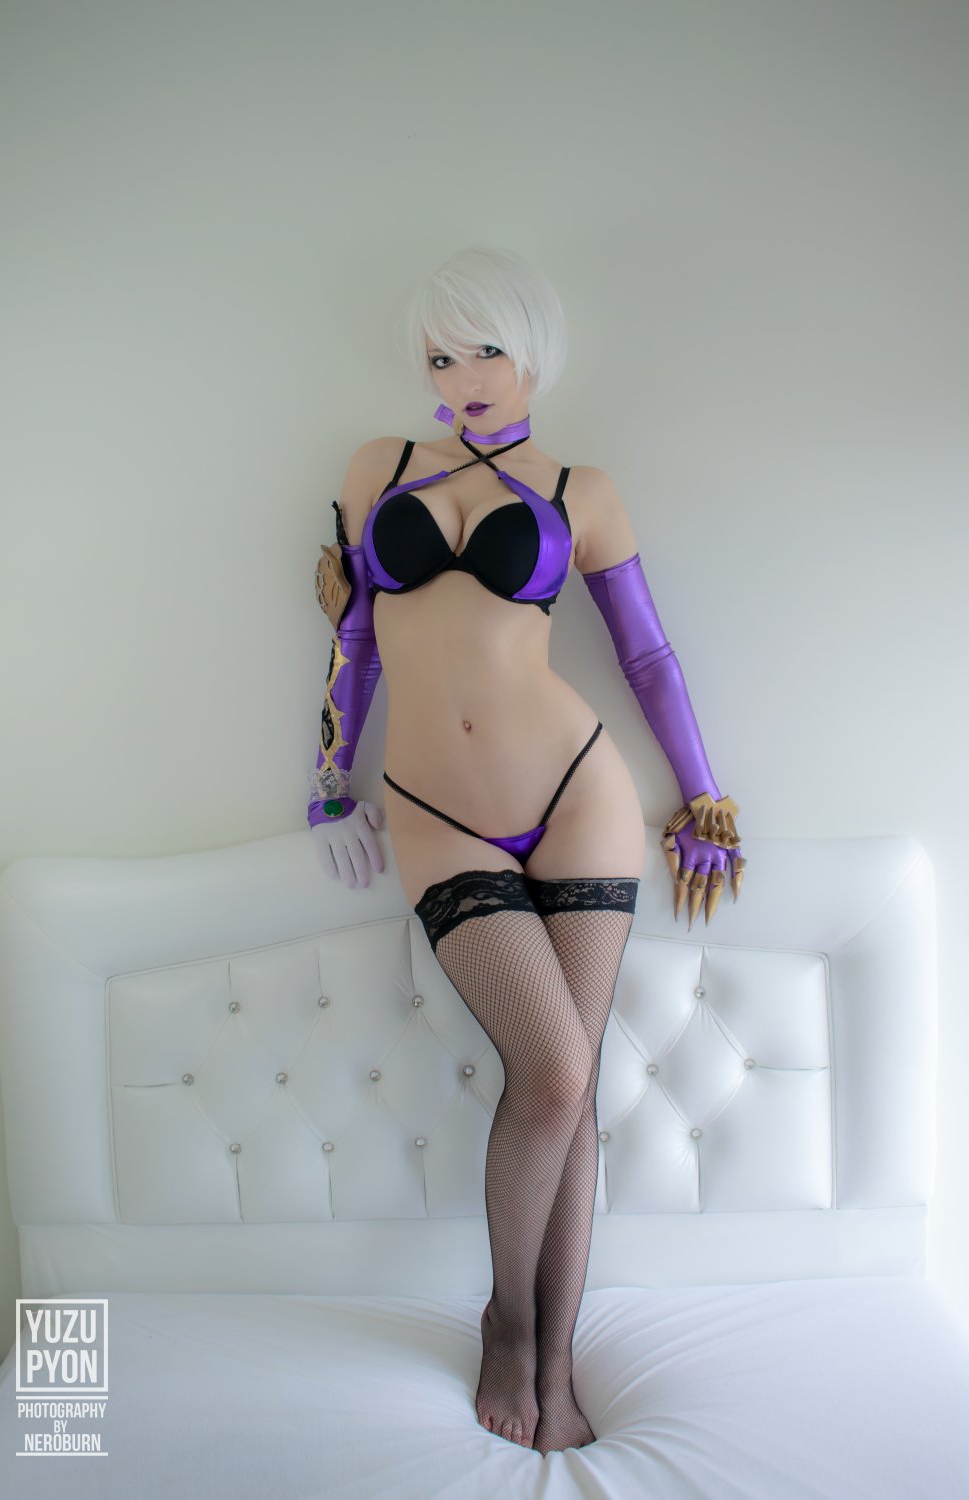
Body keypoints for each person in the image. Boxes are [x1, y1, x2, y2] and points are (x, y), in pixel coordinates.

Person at [307, 246, 746, 1456]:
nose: (460, 376)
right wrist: (328, 781)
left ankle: (556, 1355)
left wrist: (703, 798)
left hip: (578, 795)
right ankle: (506, 1320)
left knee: (574, 1087)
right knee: (552, 1072)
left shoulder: (579, 490)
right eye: (439, 356)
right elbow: (355, 637)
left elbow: (645, 656)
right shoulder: (378, 467)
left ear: (535, 356)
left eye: (484, 351)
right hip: (433, 810)